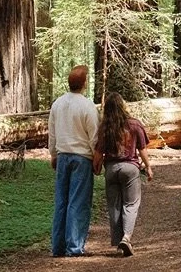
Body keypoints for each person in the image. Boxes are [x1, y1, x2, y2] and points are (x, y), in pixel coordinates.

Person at [94, 91, 152, 257]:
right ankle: (126, 238)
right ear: (123, 106)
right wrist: (148, 167)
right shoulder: (135, 124)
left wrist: (95, 166)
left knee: (114, 206)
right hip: (130, 169)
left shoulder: (105, 127)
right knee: (131, 204)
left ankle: (119, 242)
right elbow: (142, 149)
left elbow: (99, 152)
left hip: (111, 170)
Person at [49, 64, 98, 257]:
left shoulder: (58, 104)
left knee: (61, 201)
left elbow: (52, 133)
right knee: (78, 201)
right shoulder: (87, 106)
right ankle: (75, 246)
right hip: (81, 158)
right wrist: (96, 157)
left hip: (62, 156)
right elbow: (93, 135)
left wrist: (53, 154)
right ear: (84, 83)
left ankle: (58, 246)